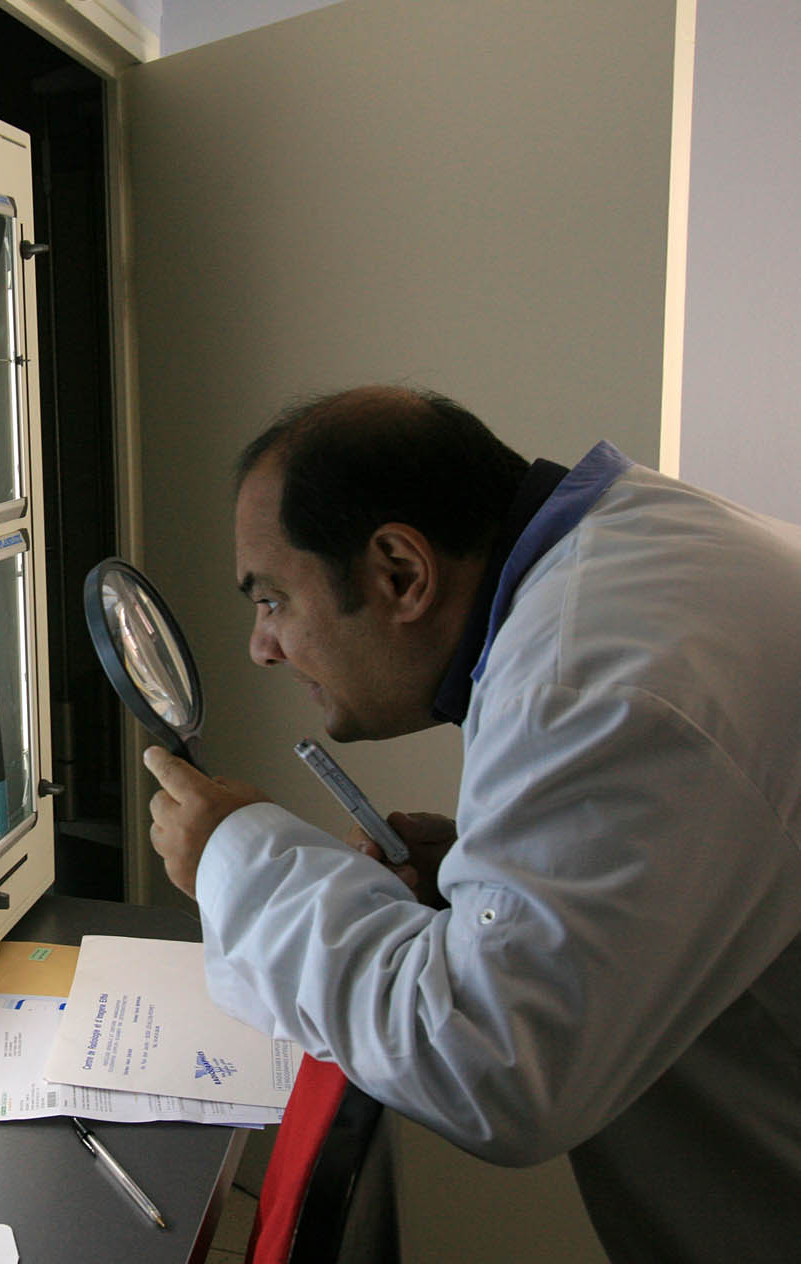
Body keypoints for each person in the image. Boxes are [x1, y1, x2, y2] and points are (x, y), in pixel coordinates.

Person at [143, 385, 801, 1263]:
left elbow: (491, 1070)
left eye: (272, 601)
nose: (261, 648)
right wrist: (491, 878)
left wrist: (235, 859)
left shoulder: (586, 683)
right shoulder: (639, 551)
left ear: (399, 573)